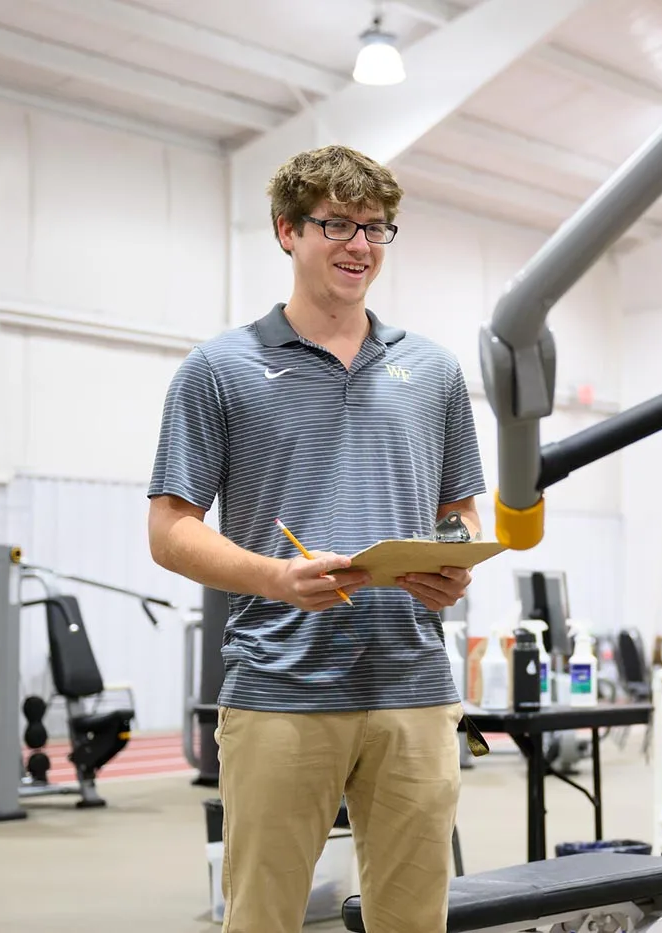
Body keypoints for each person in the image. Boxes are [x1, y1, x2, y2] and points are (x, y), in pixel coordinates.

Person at [146, 145, 487, 933]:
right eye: (335, 223)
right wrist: (273, 578)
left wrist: (450, 560)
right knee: (264, 916)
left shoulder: (431, 371)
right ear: (286, 231)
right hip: (279, 689)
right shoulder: (219, 369)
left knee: (415, 919)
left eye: (375, 227)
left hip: (413, 685)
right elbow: (168, 528)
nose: (359, 246)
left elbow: (463, 511)